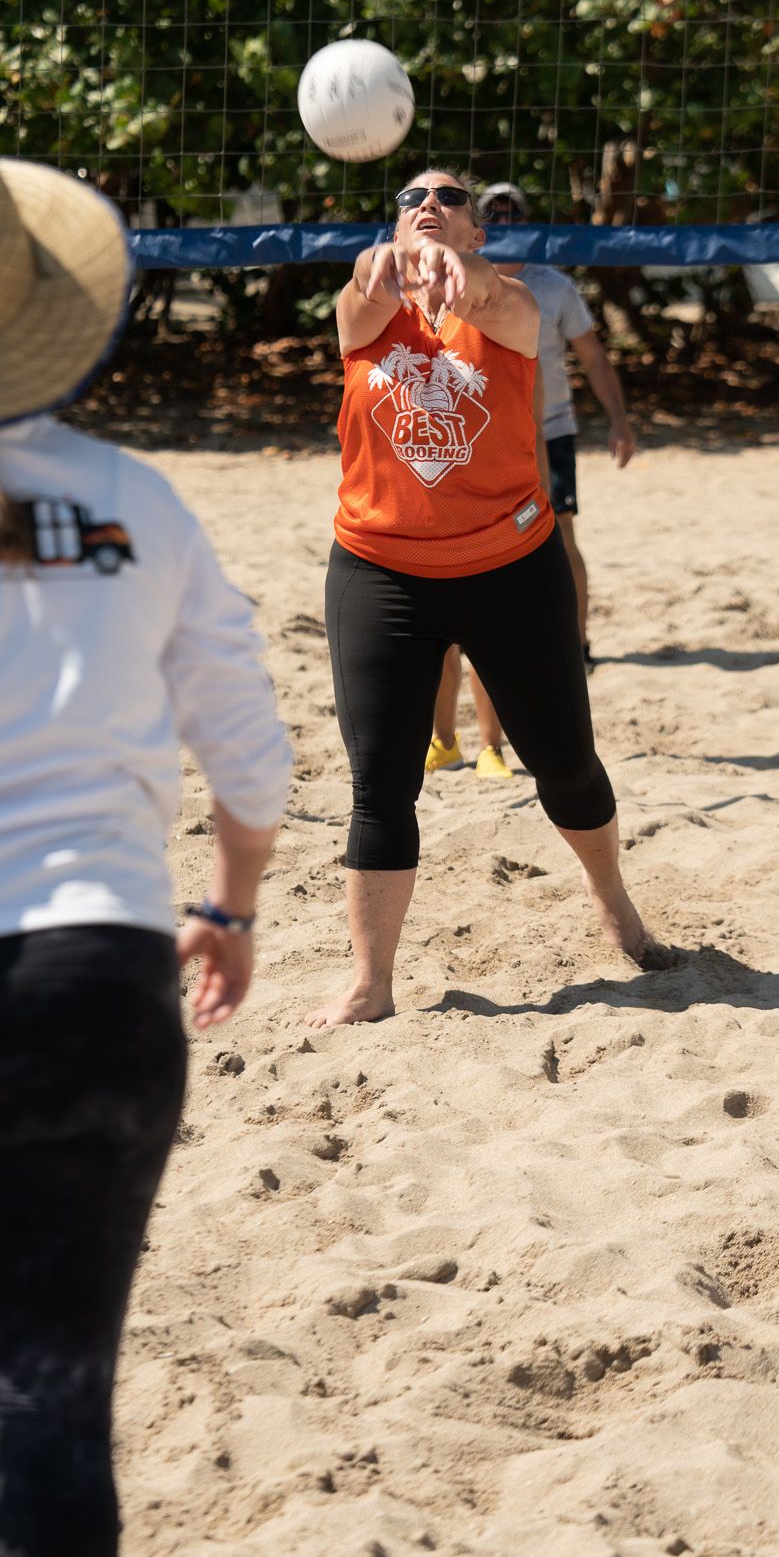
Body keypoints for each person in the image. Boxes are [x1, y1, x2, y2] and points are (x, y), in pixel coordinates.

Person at [0, 127, 292, 1557]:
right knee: (46, 1401)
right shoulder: (137, 498)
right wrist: (235, 901)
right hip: (88, 979)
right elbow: (249, 752)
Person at [312, 165, 659, 1027]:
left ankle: (613, 902)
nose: (427, 207)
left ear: (477, 231)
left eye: (448, 200)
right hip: (380, 569)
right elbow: (361, 285)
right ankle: (371, 982)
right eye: (409, 200)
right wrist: (386, 259)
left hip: (510, 567)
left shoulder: (513, 304)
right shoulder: (365, 304)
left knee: (566, 767)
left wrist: (454, 272)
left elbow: (486, 302)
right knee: (379, 785)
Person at [424, 180, 637, 776]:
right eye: (496, 208)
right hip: (476, 439)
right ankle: (449, 736)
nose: (506, 215)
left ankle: (575, 646)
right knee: (457, 582)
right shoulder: (449, 280)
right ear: (480, 225)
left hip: (550, 430)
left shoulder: (549, 286)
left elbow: (593, 356)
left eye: (514, 208)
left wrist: (619, 420)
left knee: (557, 543)